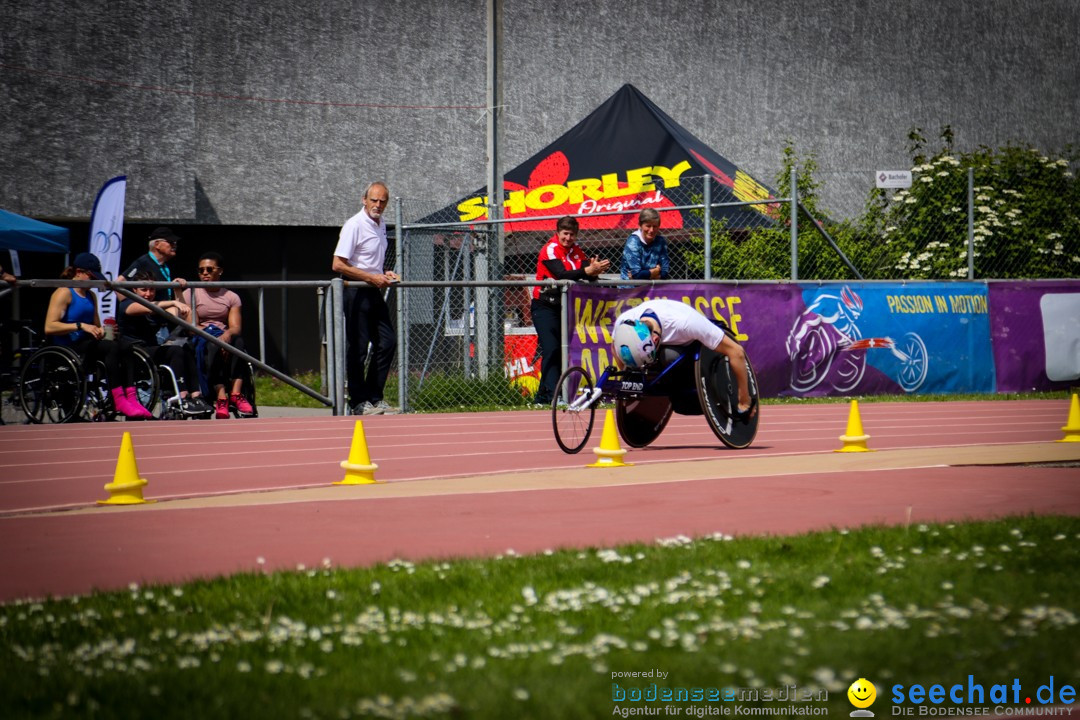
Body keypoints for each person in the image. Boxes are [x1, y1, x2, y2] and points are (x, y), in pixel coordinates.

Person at [43, 252, 153, 419]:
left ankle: (131, 397)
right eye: (92, 277)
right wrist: (80, 326)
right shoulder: (63, 293)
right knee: (110, 348)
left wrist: (103, 330)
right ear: (79, 272)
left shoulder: (91, 295)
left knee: (125, 345)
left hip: (87, 343)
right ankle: (119, 398)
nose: (95, 282)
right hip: (68, 346)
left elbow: (95, 326)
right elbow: (49, 327)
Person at [611, 298, 756, 421]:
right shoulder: (624, 323)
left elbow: (737, 352)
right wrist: (627, 380)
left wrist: (744, 398)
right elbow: (615, 347)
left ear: (655, 340)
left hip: (688, 347)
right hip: (665, 340)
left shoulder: (687, 324)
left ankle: (691, 391)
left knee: (682, 399)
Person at [331, 181, 400, 416]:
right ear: (364, 200)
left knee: (387, 341)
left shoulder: (380, 225)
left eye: (382, 201)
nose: (378, 205)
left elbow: (370, 263)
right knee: (358, 347)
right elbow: (338, 264)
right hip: (355, 290)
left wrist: (383, 274)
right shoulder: (355, 224)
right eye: (374, 200)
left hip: (372, 287)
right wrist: (370, 277)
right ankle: (358, 401)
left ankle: (374, 397)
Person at [531, 215, 610, 405]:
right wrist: (587, 271)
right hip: (544, 306)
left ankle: (542, 396)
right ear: (557, 233)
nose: (568, 238)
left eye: (572, 235)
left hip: (563, 307)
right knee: (551, 348)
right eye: (565, 234)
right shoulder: (549, 249)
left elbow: (584, 271)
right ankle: (551, 396)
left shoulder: (576, 251)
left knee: (557, 351)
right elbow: (562, 274)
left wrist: (595, 269)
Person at [118, 271, 212, 416]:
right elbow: (149, 307)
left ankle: (196, 396)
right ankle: (182, 396)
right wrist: (173, 302)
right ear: (134, 290)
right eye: (143, 290)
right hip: (133, 353)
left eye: (152, 289)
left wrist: (177, 292)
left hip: (150, 351)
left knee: (185, 348)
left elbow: (185, 318)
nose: (148, 294)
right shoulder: (127, 304)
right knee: (175, 351)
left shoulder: (158, 305)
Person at [187, 252, 255, 419]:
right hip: (202, 335)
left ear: (220, 271)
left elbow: (236, 327)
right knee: (213, 345)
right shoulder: (192, 293)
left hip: (223, 333)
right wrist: (216, 338)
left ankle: (236, 393)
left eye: (209, 269)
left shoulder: (231, 297)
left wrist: (227, 334)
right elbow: (192, 326)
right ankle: (221, 396)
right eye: (200, 270)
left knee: (238, 341)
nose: (204, 273)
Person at [120, 226, 186, 301]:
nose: (175, 245)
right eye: (171, 242)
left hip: (163, 311)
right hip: (150, 312)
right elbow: (119, 283)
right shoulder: (143, 262)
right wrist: (128, 306)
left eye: (175, 243)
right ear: (157, 244)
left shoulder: (165, 266)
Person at [620, 207, 670, 282]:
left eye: (655, 226)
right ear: (640, 225)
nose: (651, 230)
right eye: (648, 226)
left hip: (653, 287)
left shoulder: (660, 241)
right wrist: (656, 271)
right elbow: (637, 274)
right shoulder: (633, 242)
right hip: (631, 288)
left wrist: (648, 275)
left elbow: (665, 271)